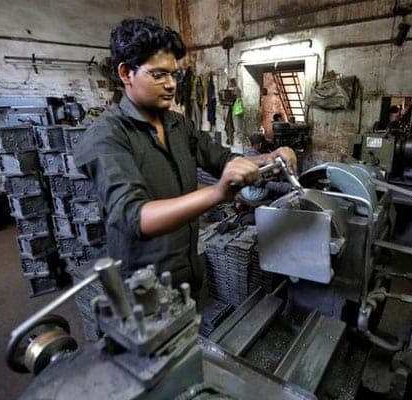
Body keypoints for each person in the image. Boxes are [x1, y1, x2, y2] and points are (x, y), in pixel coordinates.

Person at [74, 17, 296, 288]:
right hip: (143, 287)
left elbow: (222, 160)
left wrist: (267, 159)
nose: (171, 84)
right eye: (158, 75)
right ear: (126, 73)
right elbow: (136, 216)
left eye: (174, 75)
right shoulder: (106, 137)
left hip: (188, 269)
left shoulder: (179, 125)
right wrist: (217, 193)